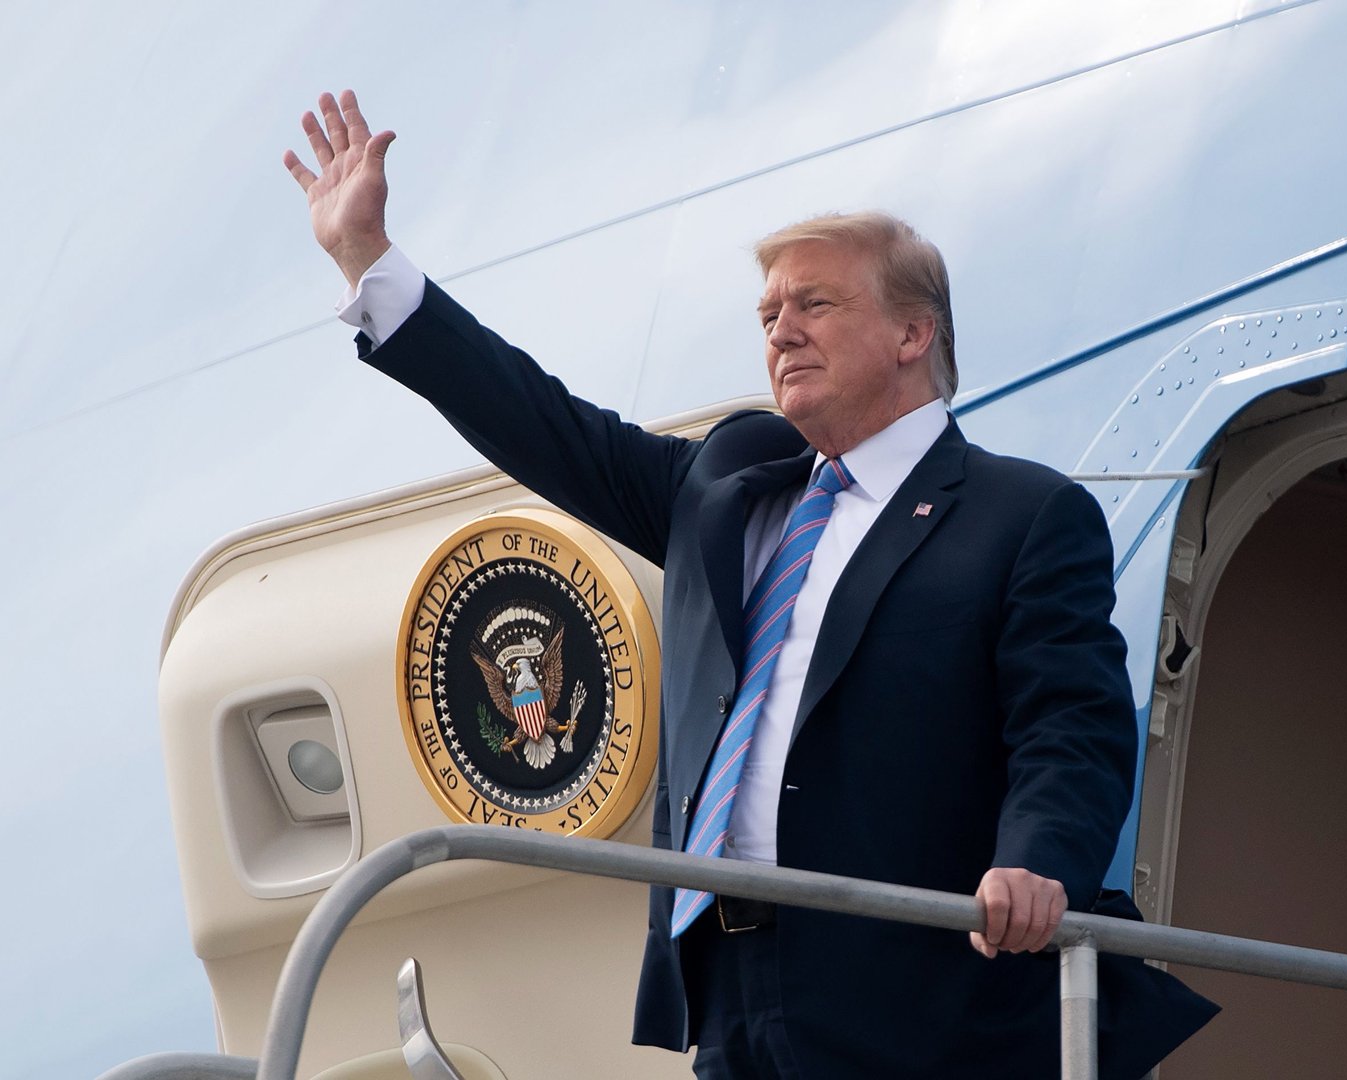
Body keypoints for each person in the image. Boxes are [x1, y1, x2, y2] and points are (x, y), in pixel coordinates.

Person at [285, 89, 1215, 1078]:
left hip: (929, 989)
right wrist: (369, 264)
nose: (780, 331)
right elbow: (540, 420)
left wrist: (1038, 862)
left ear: (912, 335)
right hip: (735, 989)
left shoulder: (1021, 515)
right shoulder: (724, 491)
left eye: (814, 304)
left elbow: (1070, 726)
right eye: (769, 313)